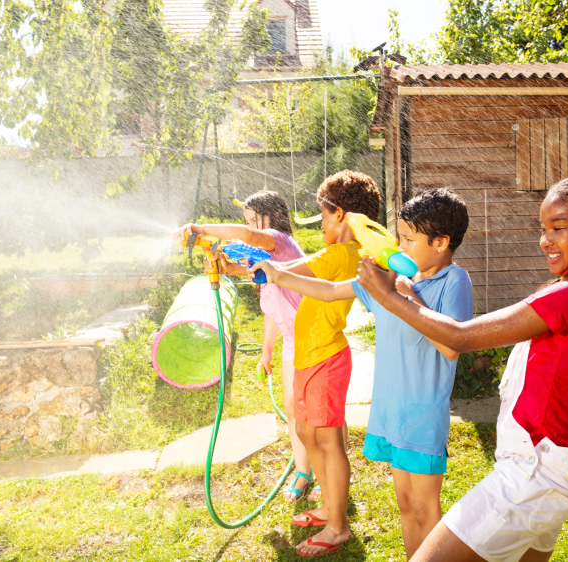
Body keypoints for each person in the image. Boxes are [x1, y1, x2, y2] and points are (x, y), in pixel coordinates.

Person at [356, 169, 568, 562]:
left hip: (533, 475)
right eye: (543, 229)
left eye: (558, 228)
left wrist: (387, 295)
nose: (546, 241)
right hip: (560, 471)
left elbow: (460, 336)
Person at [251, 188, 473, 559]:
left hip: (421, 418)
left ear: (441, 242)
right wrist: (278, 275)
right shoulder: (389, 278)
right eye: (399, 236)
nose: (399, 246)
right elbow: (329, 290)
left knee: (425, 510)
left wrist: (405, 298)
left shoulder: (453, 281)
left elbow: (452, 345)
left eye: (409, 240)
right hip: (391, 413)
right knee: (404, 505)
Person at [258, 170, 380, 557]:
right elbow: (287, 272)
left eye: (324, 215)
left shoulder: (341, 253)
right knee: (310, 436)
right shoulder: (339, 253)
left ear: (341, 215)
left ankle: (338, 526)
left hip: (325, 357)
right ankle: (330, 507)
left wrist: (267, 269)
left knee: (327, 441)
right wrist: (255, 268)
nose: (322, 223)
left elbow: (293, 272)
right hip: (311, 356)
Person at [173, 190, 317, 503]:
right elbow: (272, 310)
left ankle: (331, 468)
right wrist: (266, 353)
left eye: (255, 220)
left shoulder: (279, 240)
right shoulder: (266, 262)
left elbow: (249, 236)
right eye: (247, 221)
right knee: (293, 410)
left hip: (315, 337)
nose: (251, 228)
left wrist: (201, 228)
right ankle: (304, 472)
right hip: (294, 340)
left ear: (274, 218)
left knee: (320, 413)